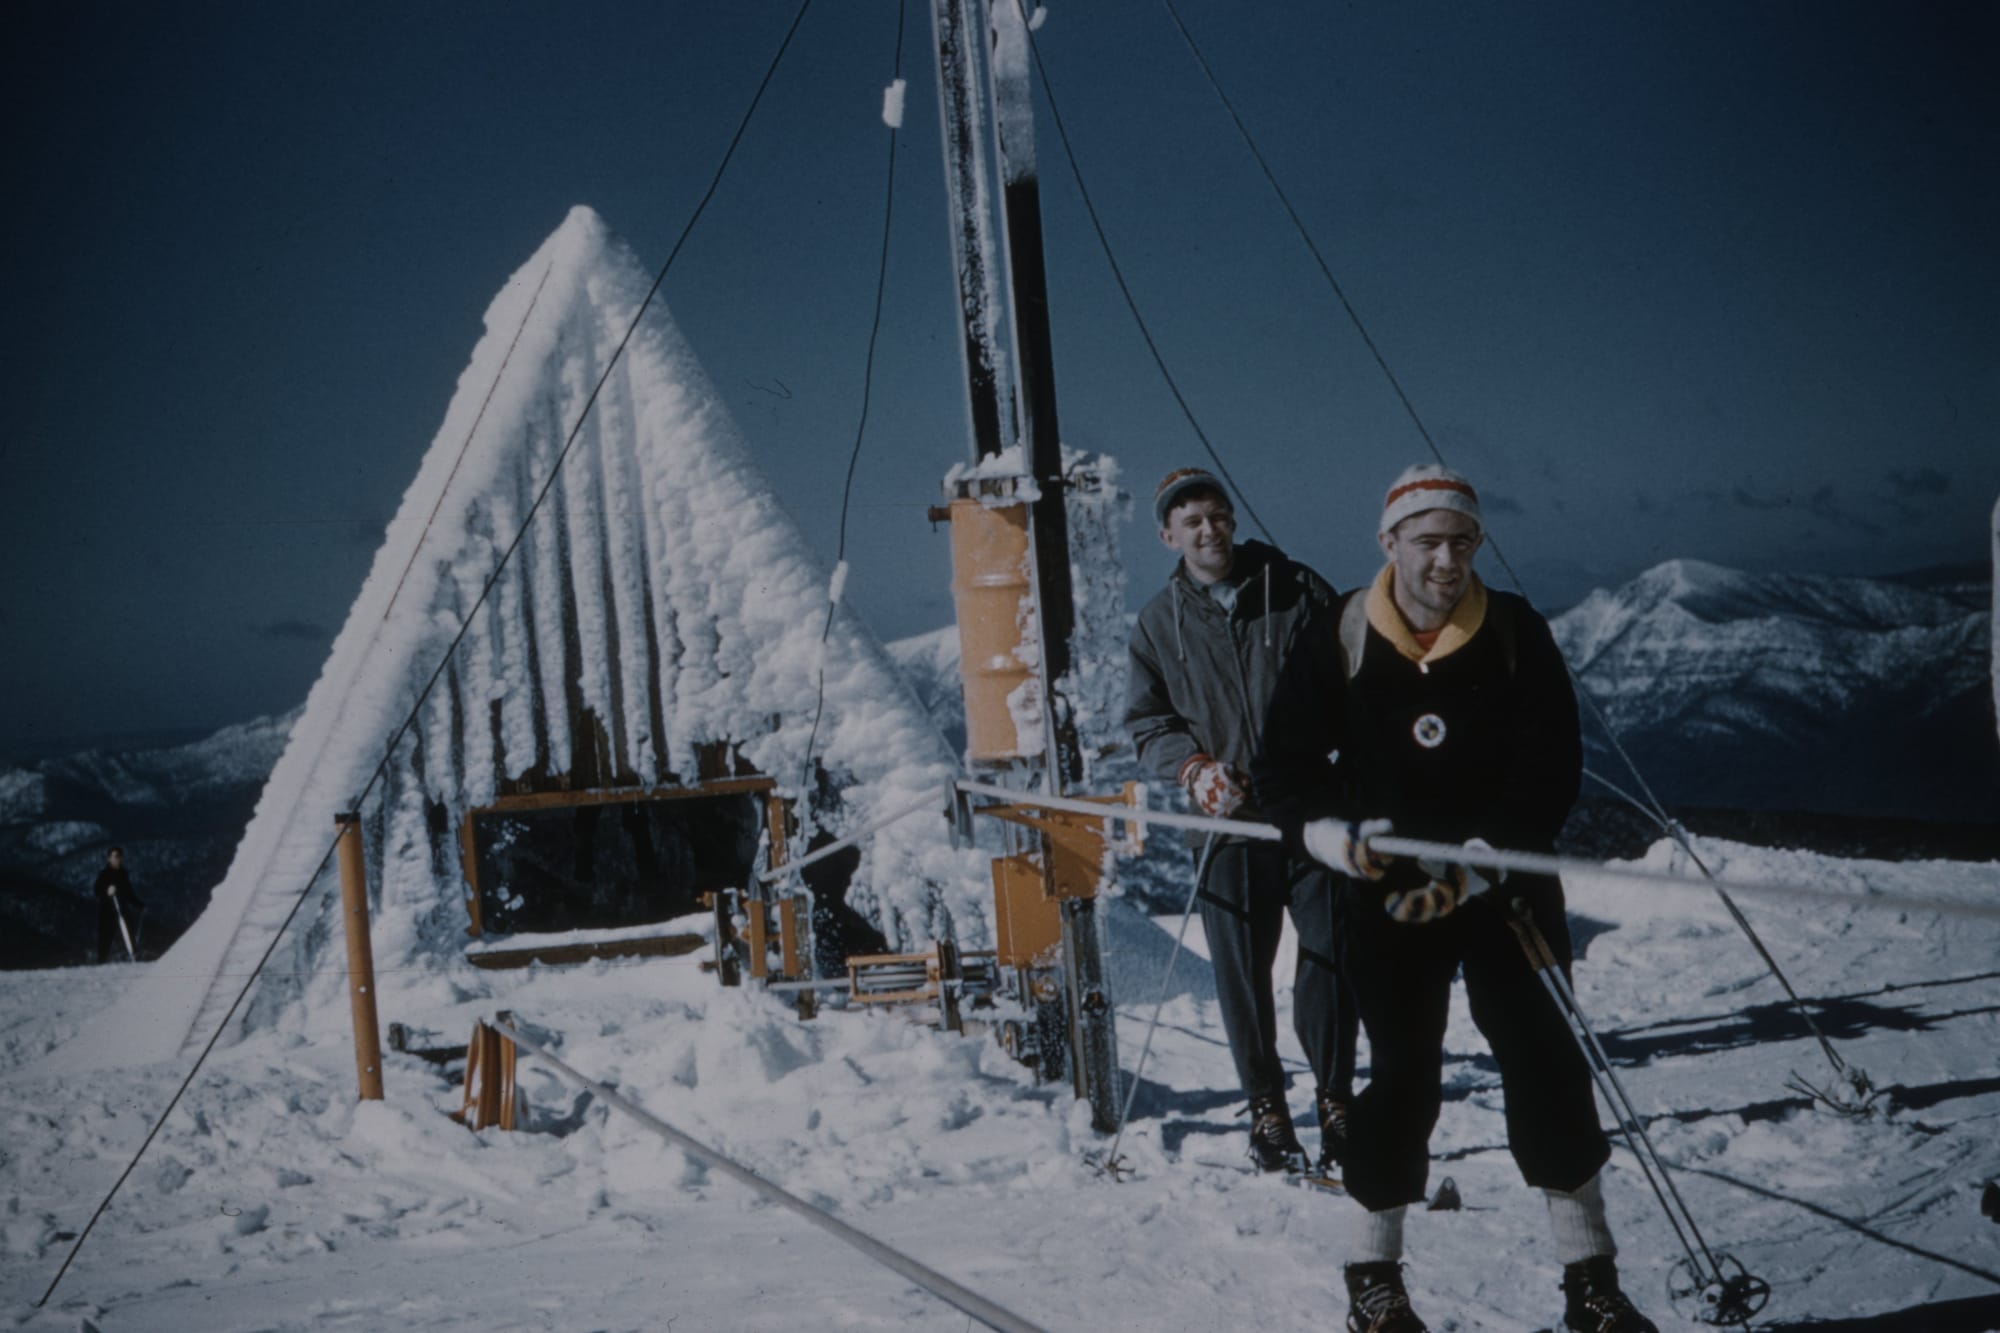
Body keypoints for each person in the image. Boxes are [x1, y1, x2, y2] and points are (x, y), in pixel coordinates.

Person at [1255, 464, 1656, 1333]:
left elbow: (1552, 766)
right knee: (1402, 1075)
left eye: (1462, 541)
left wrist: (1483, 857)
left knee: (1545, 1061)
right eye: (1427, 540)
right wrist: (1328, 837)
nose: (1446, 560)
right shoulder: (1343, 634)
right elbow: (1281, 771)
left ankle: (1591, 1281)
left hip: (1504, 886)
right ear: (1389, 542)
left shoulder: (1513, 631)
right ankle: (1375, 1277)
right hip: (1387, 896)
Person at [1124, 466, 1360, 1174]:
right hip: (1227, 823)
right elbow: (1147, 720)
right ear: (1169, 535)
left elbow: (1353, 676)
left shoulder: (1296, 589)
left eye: (1217, 514)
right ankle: (1267, 1108)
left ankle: (1336, 1101)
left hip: (1311, 810)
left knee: (1328, 955)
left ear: (1234, 520)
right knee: (1241, 972)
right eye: (1191, 520)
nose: (1208, 529)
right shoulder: (1158, 623)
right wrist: (1194, 768)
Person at [93, 845, 143, 963]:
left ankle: (134, 955)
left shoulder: (123, 874)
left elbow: (128, 892)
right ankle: (101, 961)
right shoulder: (104, 874)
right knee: (106, 937)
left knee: (129, 932)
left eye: (119, 856)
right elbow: (96, 890)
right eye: (114, 856)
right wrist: (106, 891)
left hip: (122, 909)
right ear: (109, 858)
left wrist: (138, 904)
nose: (117, 859)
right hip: (107, 911)